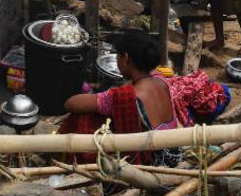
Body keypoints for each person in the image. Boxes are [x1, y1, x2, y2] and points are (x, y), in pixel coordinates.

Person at [62, 30, 179, 165]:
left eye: (118, 55)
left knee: (82, 118)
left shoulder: (126, 96)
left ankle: (74, 161)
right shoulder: (161, 79)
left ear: (125, 58)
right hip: (172, 153)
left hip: (153, 161)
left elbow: (70, 103)